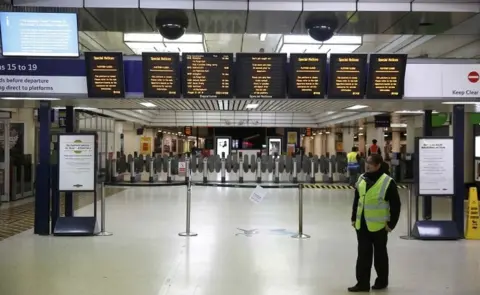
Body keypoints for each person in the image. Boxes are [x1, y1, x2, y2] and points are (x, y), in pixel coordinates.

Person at [348, 154, 401, 292]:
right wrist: (354, 217)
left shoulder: (387, 182)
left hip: (379, 226)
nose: (367, 165)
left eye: (370, 163)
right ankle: (362, 283)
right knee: (363, 255)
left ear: (378, 165)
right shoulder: (362, 179)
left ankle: (382, 281)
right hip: (362, 225)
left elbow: (396, 205)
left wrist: (391, 224)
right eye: (367, 163)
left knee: (380, 256)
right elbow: (357, 200)